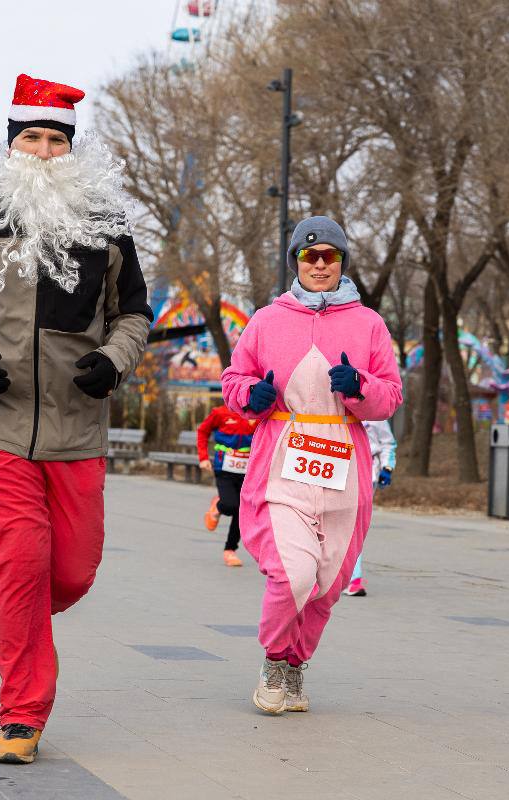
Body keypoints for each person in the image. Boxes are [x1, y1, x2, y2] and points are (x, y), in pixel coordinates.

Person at [0, 73, 152, 765]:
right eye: (30, 138)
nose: (42, 151)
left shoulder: (105, 222)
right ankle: (20, 715)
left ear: (70, 150)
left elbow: (133, 313)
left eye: (54, 140)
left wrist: (113, 358)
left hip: (77, 430)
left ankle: (20, 625)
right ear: (10, 144)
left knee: (68, 572)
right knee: (18, 564)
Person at [220, 216, 402, 716]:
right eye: (309, 256)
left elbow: (390, 395)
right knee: (293, 574)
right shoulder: (266, 319)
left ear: (342, 261)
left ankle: (297, 664)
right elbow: (234, 378)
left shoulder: (368, 323)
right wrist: (249, 395)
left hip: (344, 464)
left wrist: (361, 387)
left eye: (329, 256)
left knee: (326, 585)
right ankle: (274, 659)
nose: (319, 265)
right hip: (283, 458)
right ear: (296, 261)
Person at [196, 404, 259, 567]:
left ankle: (230, 550)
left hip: (247, 470)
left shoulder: (257, 414)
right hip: (223, 467)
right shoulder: (220, 413)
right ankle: (218, 507)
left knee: (242, 511)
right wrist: (203, 457)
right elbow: (203, 431)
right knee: (231, 505)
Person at [343, 418, 397, 597]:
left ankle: (354, 579)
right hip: (336, 470)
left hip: (366, 473)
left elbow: (388, 442)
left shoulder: (375, 413)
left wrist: (387, 468)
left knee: (354, 527)